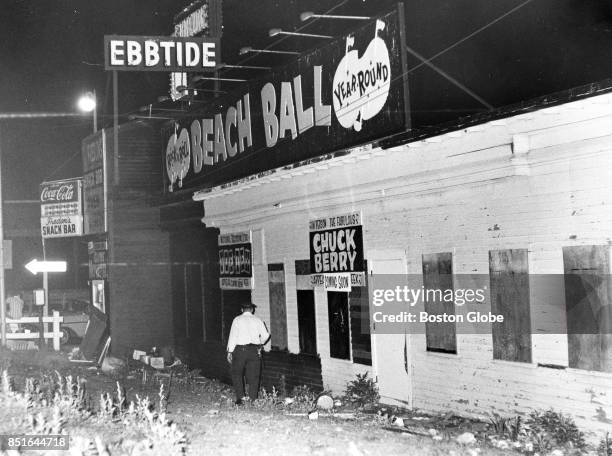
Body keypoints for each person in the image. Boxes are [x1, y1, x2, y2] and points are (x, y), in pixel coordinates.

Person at [226, 302, 270, 405]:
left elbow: (233, 336)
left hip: (240, 350)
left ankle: (241, 399)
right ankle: (253, 399)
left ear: (242, 310)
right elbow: (266, 335)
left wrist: (229, 351)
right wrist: (260, 343)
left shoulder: (237, 320)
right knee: (254, 375)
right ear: (252, 310)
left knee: (237, 374)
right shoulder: (258, 320)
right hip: (254, 351)